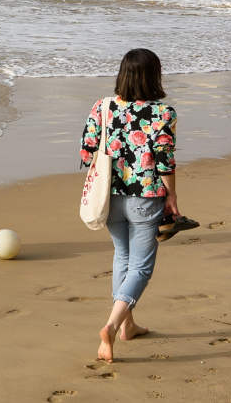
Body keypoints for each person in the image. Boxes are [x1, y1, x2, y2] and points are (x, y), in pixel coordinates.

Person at [82, 48, 178, 364]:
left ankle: (128, 325)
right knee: (141, 267)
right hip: (145, 197)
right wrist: (173, 198)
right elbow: (164, 162)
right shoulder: (163, 113)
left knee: (122, 257)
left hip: (109, 197)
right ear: (154, 76)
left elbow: (86, 152)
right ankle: (110, 326)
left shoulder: (103, 106)